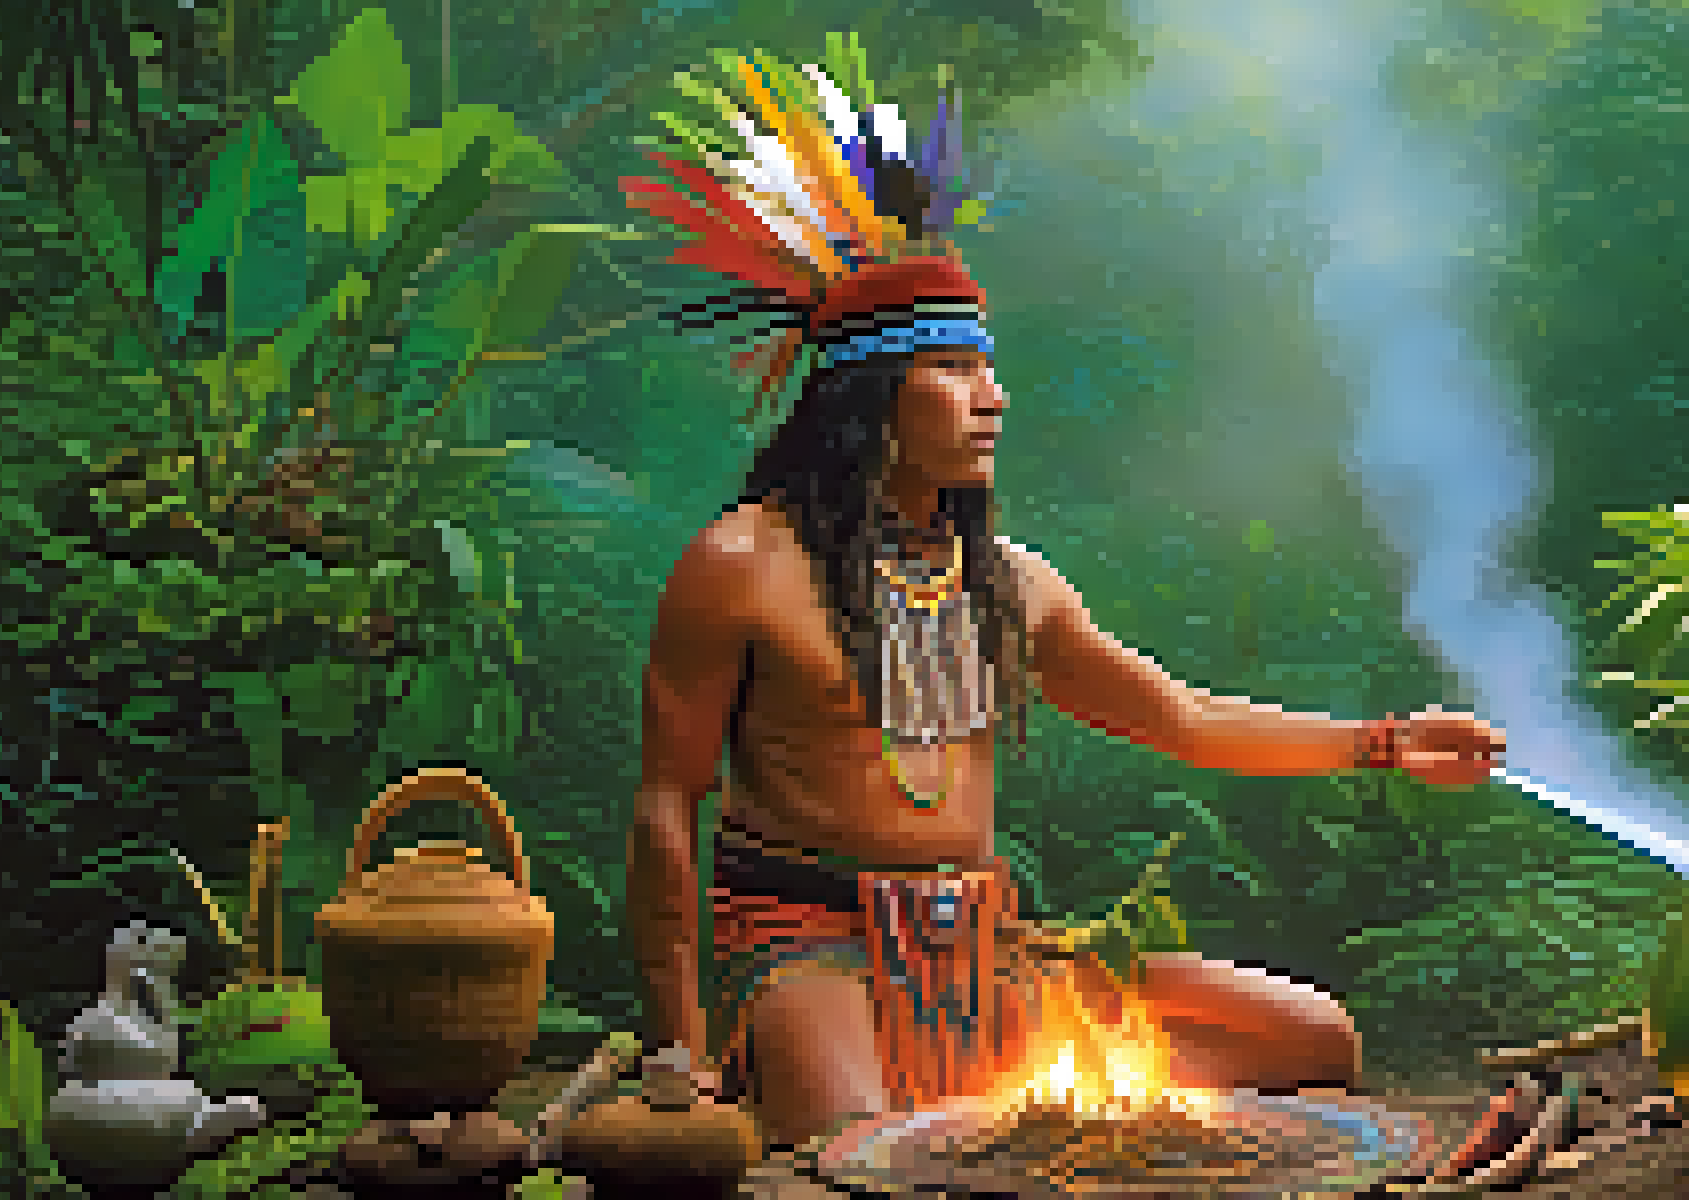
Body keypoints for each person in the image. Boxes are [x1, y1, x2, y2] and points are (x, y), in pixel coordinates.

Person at [620, 40, 1507, 1148]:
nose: (993, 399)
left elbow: (1182, 717)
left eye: (989, 368)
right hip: (810, 946)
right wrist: (678, 1043)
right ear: (868, 398)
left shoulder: (1010, 584)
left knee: (1312, 1040)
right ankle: (820, 1070)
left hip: (989, 949)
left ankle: (1013, 1092)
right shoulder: (742, 564)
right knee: (863, 1149)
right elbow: (667, 803)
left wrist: (1383, 741)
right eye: (954, 371)